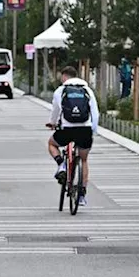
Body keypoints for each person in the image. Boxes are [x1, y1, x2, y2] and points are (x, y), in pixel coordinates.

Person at [46, 66, 100, 206]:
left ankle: (61, 164)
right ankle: (81, 195)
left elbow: (56, 111)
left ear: (64, 76)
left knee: (52, 143)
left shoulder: (60, 90)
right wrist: (93, 130)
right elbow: (95, 112)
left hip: (67, 129)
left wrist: (52, 123)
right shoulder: (87, 90)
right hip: (84, 130)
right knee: (83, 160)